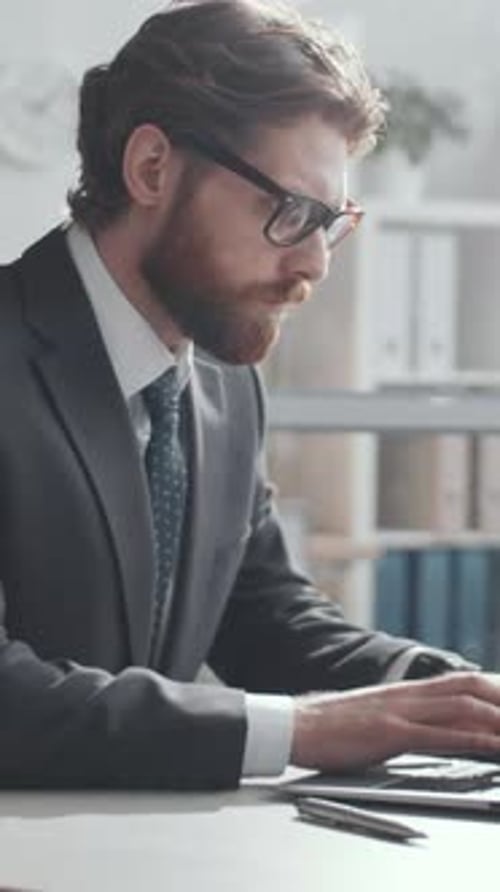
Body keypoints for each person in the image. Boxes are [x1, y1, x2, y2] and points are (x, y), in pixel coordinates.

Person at [1, 0, 500, 791]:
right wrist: (302, 729)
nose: (314, 265)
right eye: (289, 212)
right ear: (152, 168)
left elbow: (261, 613)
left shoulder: (226, 386)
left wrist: (453, 695)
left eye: (330, 222)